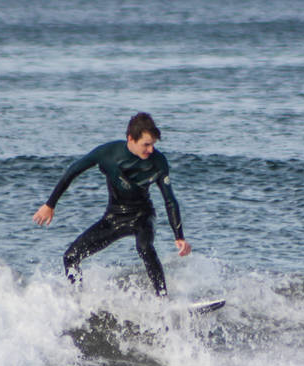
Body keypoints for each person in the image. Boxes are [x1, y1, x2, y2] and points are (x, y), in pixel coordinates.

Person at [33, 112, 191, 296]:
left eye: (153, 144)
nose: (151, 150)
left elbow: (169, 199)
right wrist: (50, 205)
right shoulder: (107, 153)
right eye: (146, 144)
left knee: (145, 247)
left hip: (142, 216)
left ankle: (163, 299)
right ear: (131, 139)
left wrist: (179, 236)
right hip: (113, 218)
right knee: (70, 257)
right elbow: (73, 171)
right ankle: (78, 301)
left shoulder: (158, 161)